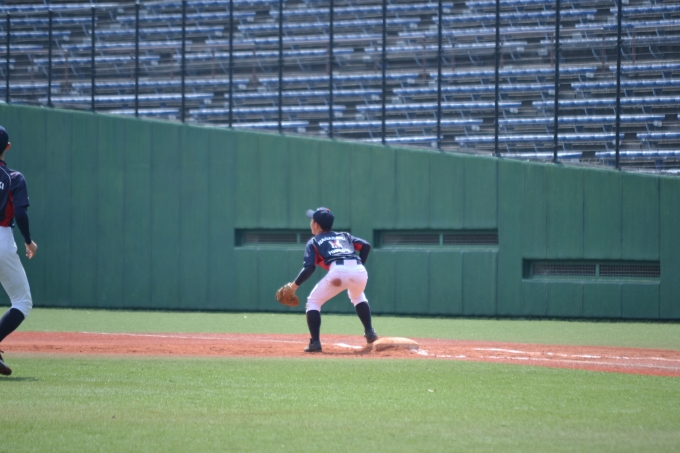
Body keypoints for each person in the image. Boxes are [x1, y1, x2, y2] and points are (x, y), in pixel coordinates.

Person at [287, 207, 377, 353]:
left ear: (316, 224)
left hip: (338, 272)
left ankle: (315, 343)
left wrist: (294, 286)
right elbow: (366, 246)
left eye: (312, 220)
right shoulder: (344, 236)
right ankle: (370, 332)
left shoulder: (314, 241)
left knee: (313, 302)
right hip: (359, 270)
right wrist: (358, 265)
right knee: (357, 296)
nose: (311, 223)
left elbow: (309, 268)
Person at [0, 126, 38, 376]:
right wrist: (28, 241)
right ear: (8, 147)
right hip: (1, 238)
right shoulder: (14, 177)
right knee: (22, 302)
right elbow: (21, 213)